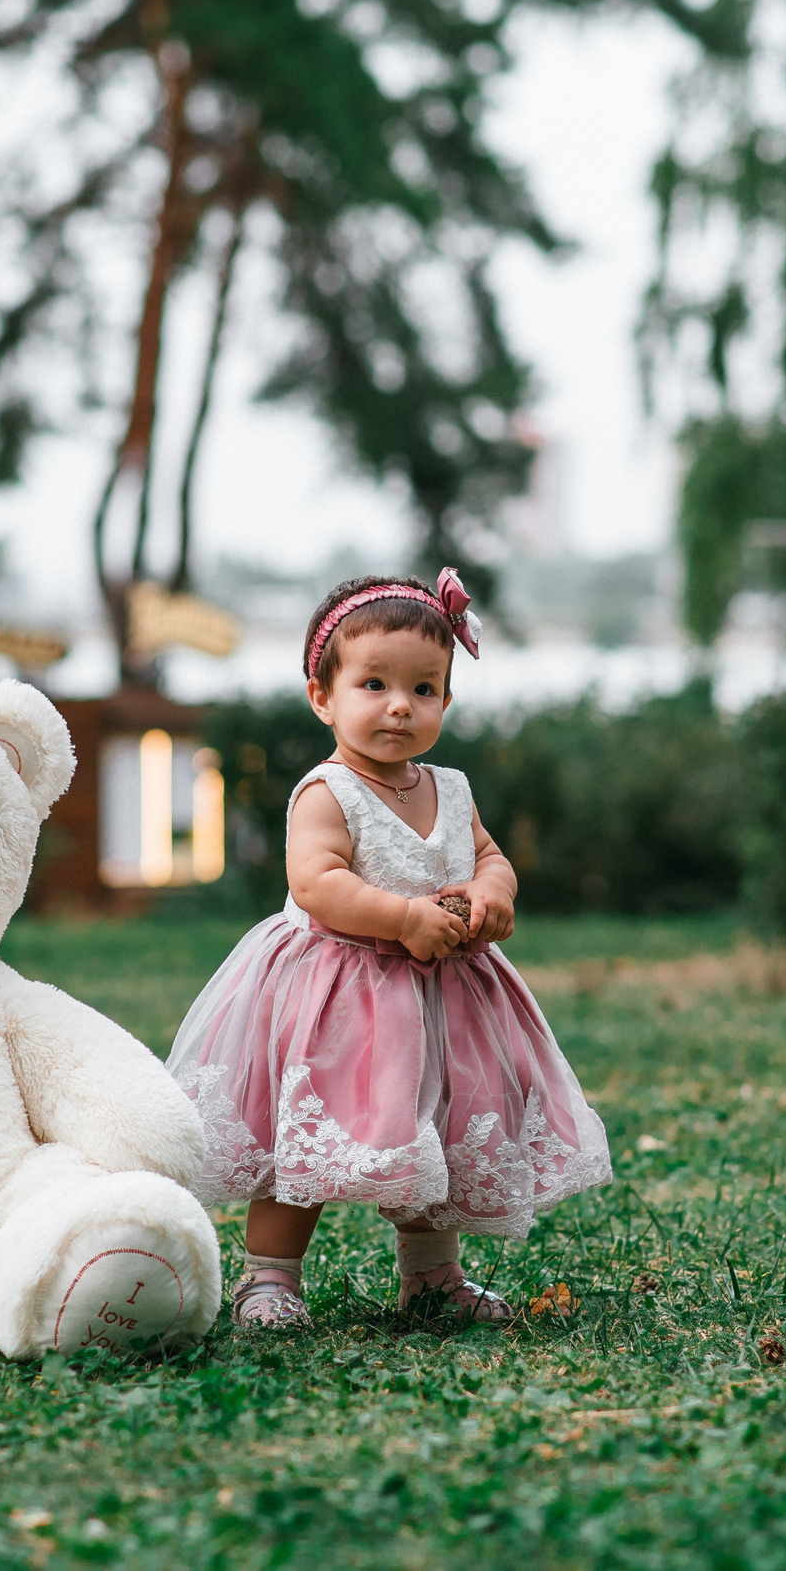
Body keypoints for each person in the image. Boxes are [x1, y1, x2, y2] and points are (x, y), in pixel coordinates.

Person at [167, 570, 613, 1330]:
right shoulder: (326, 791)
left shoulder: (451, 788)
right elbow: (317, 882)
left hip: (442, 1001)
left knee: (433, 1131)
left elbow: (489, 856)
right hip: (335, 996)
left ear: (446, 697)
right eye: (373, 683)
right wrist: (403, 918)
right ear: (323, 697)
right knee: (300, 1137)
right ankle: (270, 1278)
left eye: (425, 687)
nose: (400, 704)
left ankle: (432, 1276)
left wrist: (491, 894)